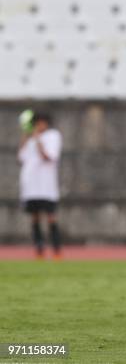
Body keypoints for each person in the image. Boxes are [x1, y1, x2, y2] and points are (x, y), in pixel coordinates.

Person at [18, 111, 64, 259]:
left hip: (47, 186)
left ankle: (56, 250)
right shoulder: (30, 139)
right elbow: (21, 158)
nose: (38, 126)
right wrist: (26, 136)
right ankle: (39, 250)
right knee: (35, 218)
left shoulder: (53, 136)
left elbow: (49, 157)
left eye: (40, 123)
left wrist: (38, 140)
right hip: (31, 186)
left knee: (51, 217)